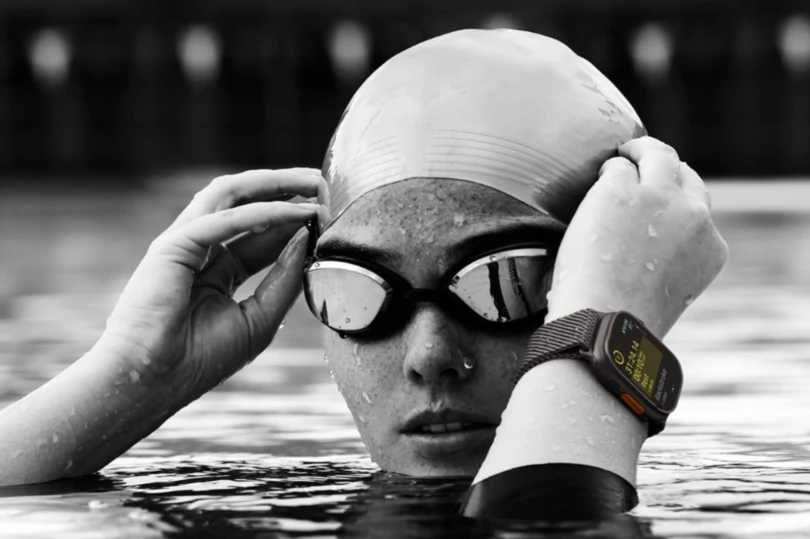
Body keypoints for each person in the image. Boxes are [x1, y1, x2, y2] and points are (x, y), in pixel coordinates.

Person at [0, 27, 728, 513]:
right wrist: (129, 377)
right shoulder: (272, 509)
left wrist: (597, 337)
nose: (430, 358)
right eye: (359, 293)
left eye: (503, 282)